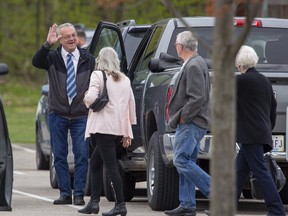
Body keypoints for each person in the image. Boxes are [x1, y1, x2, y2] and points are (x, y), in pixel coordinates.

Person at [32, 23, 95, 206]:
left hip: (81, 115)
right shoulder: (52, 57)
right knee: (59, 155)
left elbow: (96, 84)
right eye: (67, 36)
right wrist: (47, 44)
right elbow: (36, 62)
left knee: (82, 155)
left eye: (73, 35)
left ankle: (79, 194)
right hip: (57, 114)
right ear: (59, 39)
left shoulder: (88, 58)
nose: (71, 39)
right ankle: (65, 193)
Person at [78, 47, 136, 215]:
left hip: (103, 128)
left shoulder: (98, 75)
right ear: (116, 60)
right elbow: (130, 106)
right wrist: (128, 132)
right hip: (118, 129)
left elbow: (91, 98)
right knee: (95, 163)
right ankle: (94, 203)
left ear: (100, 60)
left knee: (111, 167)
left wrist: (85, 97)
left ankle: (120, 205)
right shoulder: (125, 79)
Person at [164, 31, 211, 216]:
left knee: (180, 160)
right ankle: (187, 204)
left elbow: (197, 97)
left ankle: (217, 191)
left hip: (191, 122)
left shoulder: (193, 65)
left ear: (181, 47)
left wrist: (184, 117)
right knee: (187, 160)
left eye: (176, 44)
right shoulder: (195, 62)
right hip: (193, 121)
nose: (175, 47)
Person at [235, 45, 286, 216]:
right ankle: (225, 207)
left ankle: (276, 210)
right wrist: (267, 128)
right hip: (260, 132)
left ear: (239, 63)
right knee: (238, 172)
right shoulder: (264, 80)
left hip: (249, 135)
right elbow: (273, 107)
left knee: (261, 172)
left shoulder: (240, 81)